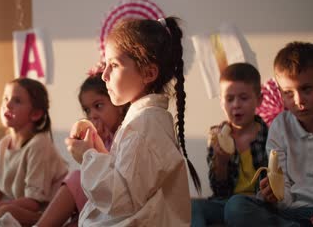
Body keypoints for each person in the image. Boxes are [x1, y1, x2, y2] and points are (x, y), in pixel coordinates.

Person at [65, 17, 201, 226]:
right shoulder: (145, 120)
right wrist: (99, 151)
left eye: (114, 65)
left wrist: (88, 157)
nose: (104, 75)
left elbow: (120, 198)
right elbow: (129, 181)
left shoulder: (144, 126)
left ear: (148, 73)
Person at [225, 42, 313, 226]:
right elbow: (282, 189)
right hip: (291, 213)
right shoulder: (280, 126)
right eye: (288, 93)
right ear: (280, 93)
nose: (299, 101)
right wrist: (274, 196)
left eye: (306, 89)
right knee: (236, 206)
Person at [36, 71, 128, 227]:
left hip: (114, 202)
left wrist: (97, 147)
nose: (92, 115)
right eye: (87, 110)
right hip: (97, 202)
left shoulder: (126, 135)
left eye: (98, 106)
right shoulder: (102, 138)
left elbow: (111, 176)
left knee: (76, 178)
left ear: (119, 105)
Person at [191, 63, 269, 226]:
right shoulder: (217, 137)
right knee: (192, 206)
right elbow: (220, 192)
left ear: (259, 100)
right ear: (221, 102)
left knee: (237, 206)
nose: (236, 105)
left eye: (244, 98)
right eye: (229, 99)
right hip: (225, 203)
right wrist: (221, 163)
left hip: (258, 205)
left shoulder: (269, 135)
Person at [0, 78, 68, 226]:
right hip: (20, 208)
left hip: (44, 215)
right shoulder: (3, 144)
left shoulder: (40, 144)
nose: (7, 104)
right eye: (5, 98)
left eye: (17, 101)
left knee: (4, 213)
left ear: (36, 114)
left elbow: (34, 203)